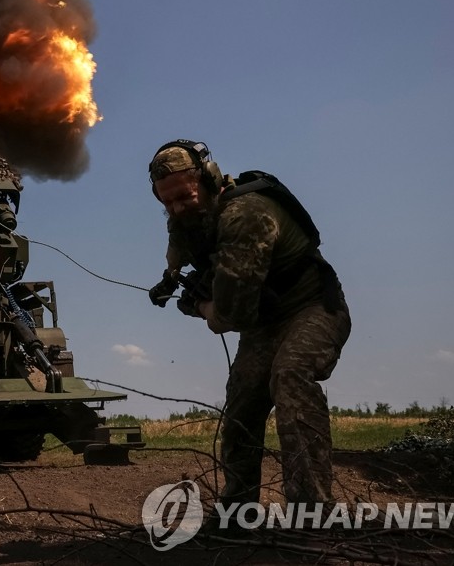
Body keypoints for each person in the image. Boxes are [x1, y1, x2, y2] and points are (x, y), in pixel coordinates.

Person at [147, 139, 351, 508]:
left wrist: (201, 306)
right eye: (167, 202)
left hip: (314, 308)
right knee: (242, 401)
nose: (176, 208)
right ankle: (238, 510)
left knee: (289, 375)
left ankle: (312, 511)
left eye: (183, 197)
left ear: (208, 181)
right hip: (265, 322)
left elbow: (230, 317)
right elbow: (178, 243)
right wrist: (171, 276)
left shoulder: (245, 216)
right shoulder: (190, 217)